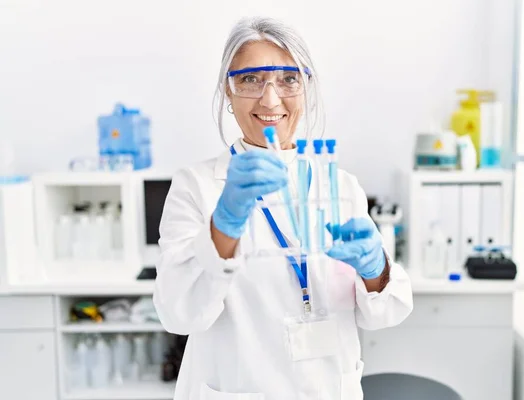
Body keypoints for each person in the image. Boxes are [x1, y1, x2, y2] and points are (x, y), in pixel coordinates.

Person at [153, 16, 413, 400]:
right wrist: (225, 223)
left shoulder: (340, 187)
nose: (270, 99)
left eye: (288, 79)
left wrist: (375, 270)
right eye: (251, 80)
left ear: (306, 88)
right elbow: (179, 314)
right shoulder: (198, 186)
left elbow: (386, 312)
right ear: (228, 91)